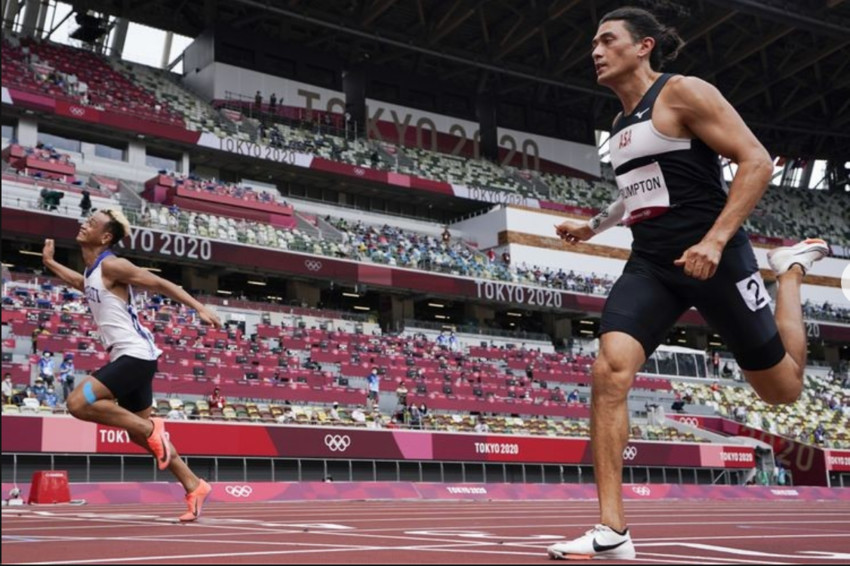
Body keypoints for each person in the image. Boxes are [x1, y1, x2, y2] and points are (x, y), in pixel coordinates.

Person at [548, 7, 828, 561]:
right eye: (594, 44)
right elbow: (639, 190)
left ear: (643, 46)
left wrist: (716, 242)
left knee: (782, 391)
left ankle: (790, 271)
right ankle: (612, 531)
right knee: (609, 371)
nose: (596, 52)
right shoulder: (623, 125)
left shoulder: (684, 93)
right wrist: (594, 225)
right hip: (652, 265)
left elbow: (754, 162)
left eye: (607, 41)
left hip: (714, 261)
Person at [41, 209, 222, 522]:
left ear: (106, 236)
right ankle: (194, 485)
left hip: (136, 355)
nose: (84, 224)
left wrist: (199, 308)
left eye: (91, 223)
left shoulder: (113, 264)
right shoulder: (93, 271)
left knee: (77, 403)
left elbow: (159, 283)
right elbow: (79, 282)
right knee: (140, 437)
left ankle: (151, 430)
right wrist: (49, 263)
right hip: (130, 356)